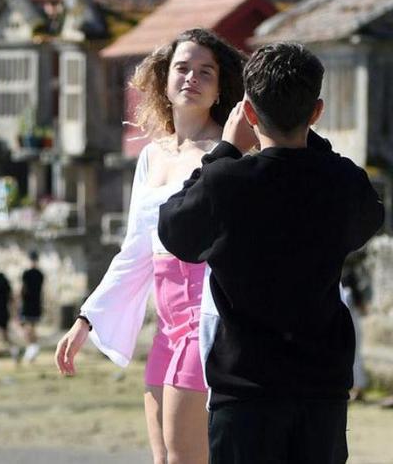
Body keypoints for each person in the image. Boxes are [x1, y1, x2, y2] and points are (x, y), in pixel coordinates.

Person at [159, 42, 384, 463]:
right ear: (316, 112)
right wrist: (307, 137)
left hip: (245, 392)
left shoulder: (225, 183)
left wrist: (224, 150)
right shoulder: (340, 183)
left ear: (247, 113)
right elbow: (370, 214)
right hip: (321, 392)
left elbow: (175, 230)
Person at [55, 28, 246, 464]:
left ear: (219, 88)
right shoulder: (151, 155)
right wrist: (86, 318)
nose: (191, 78)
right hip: (166, 326)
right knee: (162, 459)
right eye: (182, 68)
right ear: (164, 78)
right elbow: (135, 250)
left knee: (186, 459)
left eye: (205, 72)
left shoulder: (227, 153)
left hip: (208, 320)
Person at [340, 260, 368, 402]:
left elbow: (360, 303)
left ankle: (358, 387)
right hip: (343, 319)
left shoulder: (347, 274)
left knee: (354, 352)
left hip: (350, 317)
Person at [18, 251, 44, 364]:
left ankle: (32, 346)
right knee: (32, 326)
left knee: (26, 326)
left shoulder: (26, 273)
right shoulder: (40, 274)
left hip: (27, 303)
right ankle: (33, 347)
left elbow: (23, 289)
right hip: (37, 303)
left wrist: (19, 300)